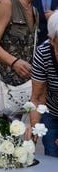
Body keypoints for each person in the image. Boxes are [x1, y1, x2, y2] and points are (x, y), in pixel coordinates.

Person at [29, 12, 58, 157]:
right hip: (52, 109)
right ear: (52, 40)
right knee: (52, 156)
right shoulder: (43, 53)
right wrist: (34, 128)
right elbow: (38, 97)